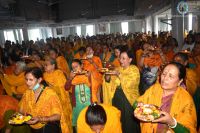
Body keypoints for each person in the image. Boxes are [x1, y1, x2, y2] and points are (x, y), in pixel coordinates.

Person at [133, 62, 197, 133]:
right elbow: (136, 103)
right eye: (164, 74)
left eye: (170, 76)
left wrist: (172, 122)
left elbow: (188, 131)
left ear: (180, 81)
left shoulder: (186, 100)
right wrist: (138, 106)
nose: (165, 78)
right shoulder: (154, 89)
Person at [19, 67, 70, 133]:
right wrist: (18, 117)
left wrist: (40, 119)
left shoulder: (49, 93)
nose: (27, 82)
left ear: (39, 80)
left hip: (47, 127)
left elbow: (58, 116)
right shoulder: (27, 92)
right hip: (33, 127)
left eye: (31, 80)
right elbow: (21, 110)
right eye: (26, 79)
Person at [103, 49, 141, 133]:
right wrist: (107, 74)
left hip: (128, 100)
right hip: (117, 99)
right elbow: (109, 82)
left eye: (124, 58)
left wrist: (118, 74)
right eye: (120, 58)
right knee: (118, 120)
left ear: (130, 60)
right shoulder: (118, 69)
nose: (121, 60)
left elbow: (130, 84)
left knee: (128, 123)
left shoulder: (134, 69)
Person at [43, 57, 72, 132]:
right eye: (44, 65)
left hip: (61, 100)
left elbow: (63, 88)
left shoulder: (59, 73)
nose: (44, 66)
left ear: (53, 66)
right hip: (49, 101)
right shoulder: (44, 75)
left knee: (64, 121)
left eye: (46, 65)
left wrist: (51, 87)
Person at [65, 59, 92, 129]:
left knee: (90, 126)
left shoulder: (88, 74)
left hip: (89, 106)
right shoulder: (73, 78)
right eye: (73, 68)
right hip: (78, 107)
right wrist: (70, 78)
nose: (74, 69)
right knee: (79, 126)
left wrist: (89, 77)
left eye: (76, 66)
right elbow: (66, 88)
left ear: (82, 66)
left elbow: (94, 88)